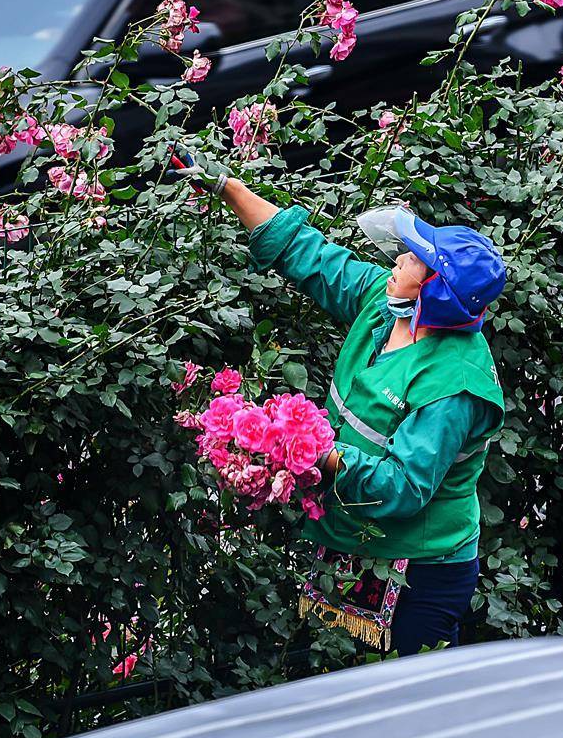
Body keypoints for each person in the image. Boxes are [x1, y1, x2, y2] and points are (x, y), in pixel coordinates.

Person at [213, 173, 506, 656]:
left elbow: (404, 486)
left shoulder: (455, 386)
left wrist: (314, 451)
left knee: (409, 709)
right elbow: (311, 257)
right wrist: (228, 187)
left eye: (413, 259)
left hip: (422, 570)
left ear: (433, 291)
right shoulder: (386, 306)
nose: (398, 260)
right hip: (353, 541)